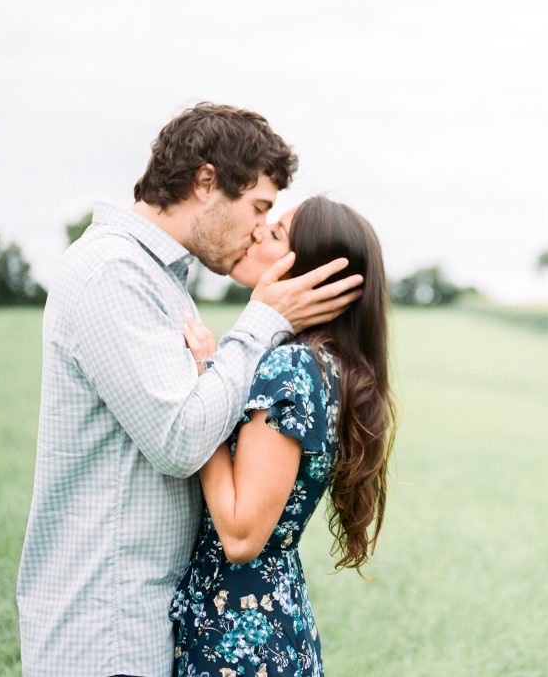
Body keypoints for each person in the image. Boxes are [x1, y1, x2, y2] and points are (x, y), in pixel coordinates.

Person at [17, 103, 363, 677]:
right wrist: (260, 322)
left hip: (139, 622)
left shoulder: (159, 279)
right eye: (258, 207)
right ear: (206, 182)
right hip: (104, 631)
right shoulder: (114, 273)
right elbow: (180, 439)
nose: (259, 230)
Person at [170, 195, 396, 677]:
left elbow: (240, 534)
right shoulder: (329, 363)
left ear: (312, 272)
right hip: (268, 620)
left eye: (274, 234)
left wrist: (204, 383)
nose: (256, 232)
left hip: (240, 637)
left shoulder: (290, 367)